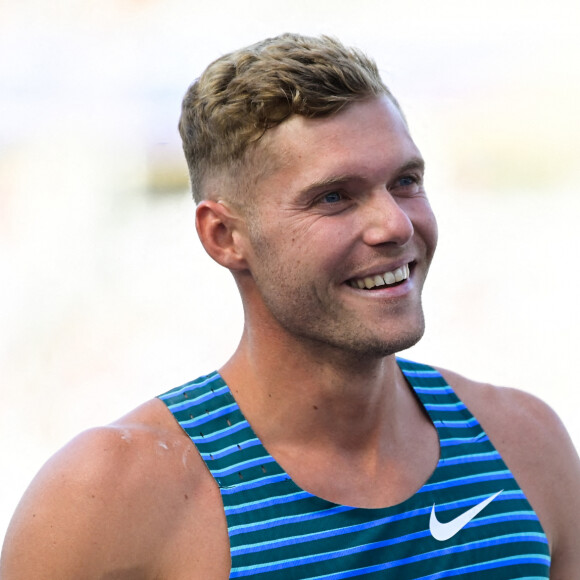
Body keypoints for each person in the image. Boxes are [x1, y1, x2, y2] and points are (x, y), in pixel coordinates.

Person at [1, 33, 579, 580]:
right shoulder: (107, 496)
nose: (395, 225)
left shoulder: (526, 444)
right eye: (334, 197)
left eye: (405, 181)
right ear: (224, 237)